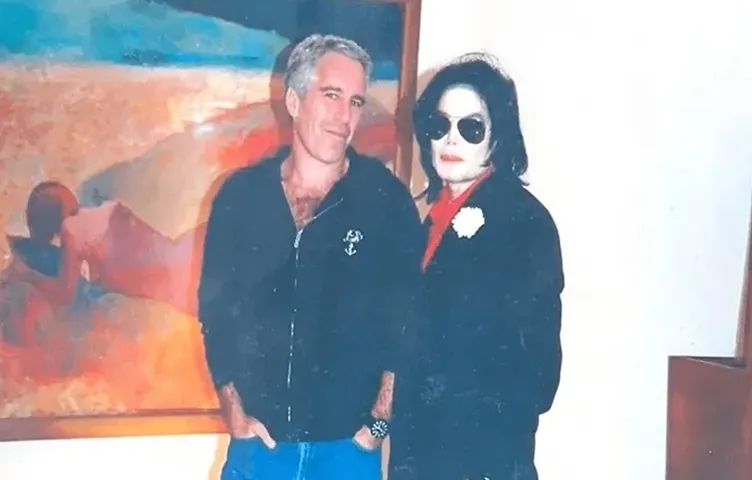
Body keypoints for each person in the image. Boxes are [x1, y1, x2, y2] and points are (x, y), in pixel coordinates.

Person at [197, 33, 423, 480]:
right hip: (259, 451)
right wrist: (234, 413)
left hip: (346, 453)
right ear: (294, 101)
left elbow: (408, 324)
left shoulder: (386, 201)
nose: (344, 116)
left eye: (356, 101)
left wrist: (376, 427)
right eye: (332, 95)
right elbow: (216, 316)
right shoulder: (241, 197)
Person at [390, 53, 565, 480]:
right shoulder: (429, 221)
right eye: (439, 125)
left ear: (497, 138)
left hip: (481, 463)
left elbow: (538, 376)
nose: (451, 140)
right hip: (420, 459)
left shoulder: (523, 221)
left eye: (470, 128)